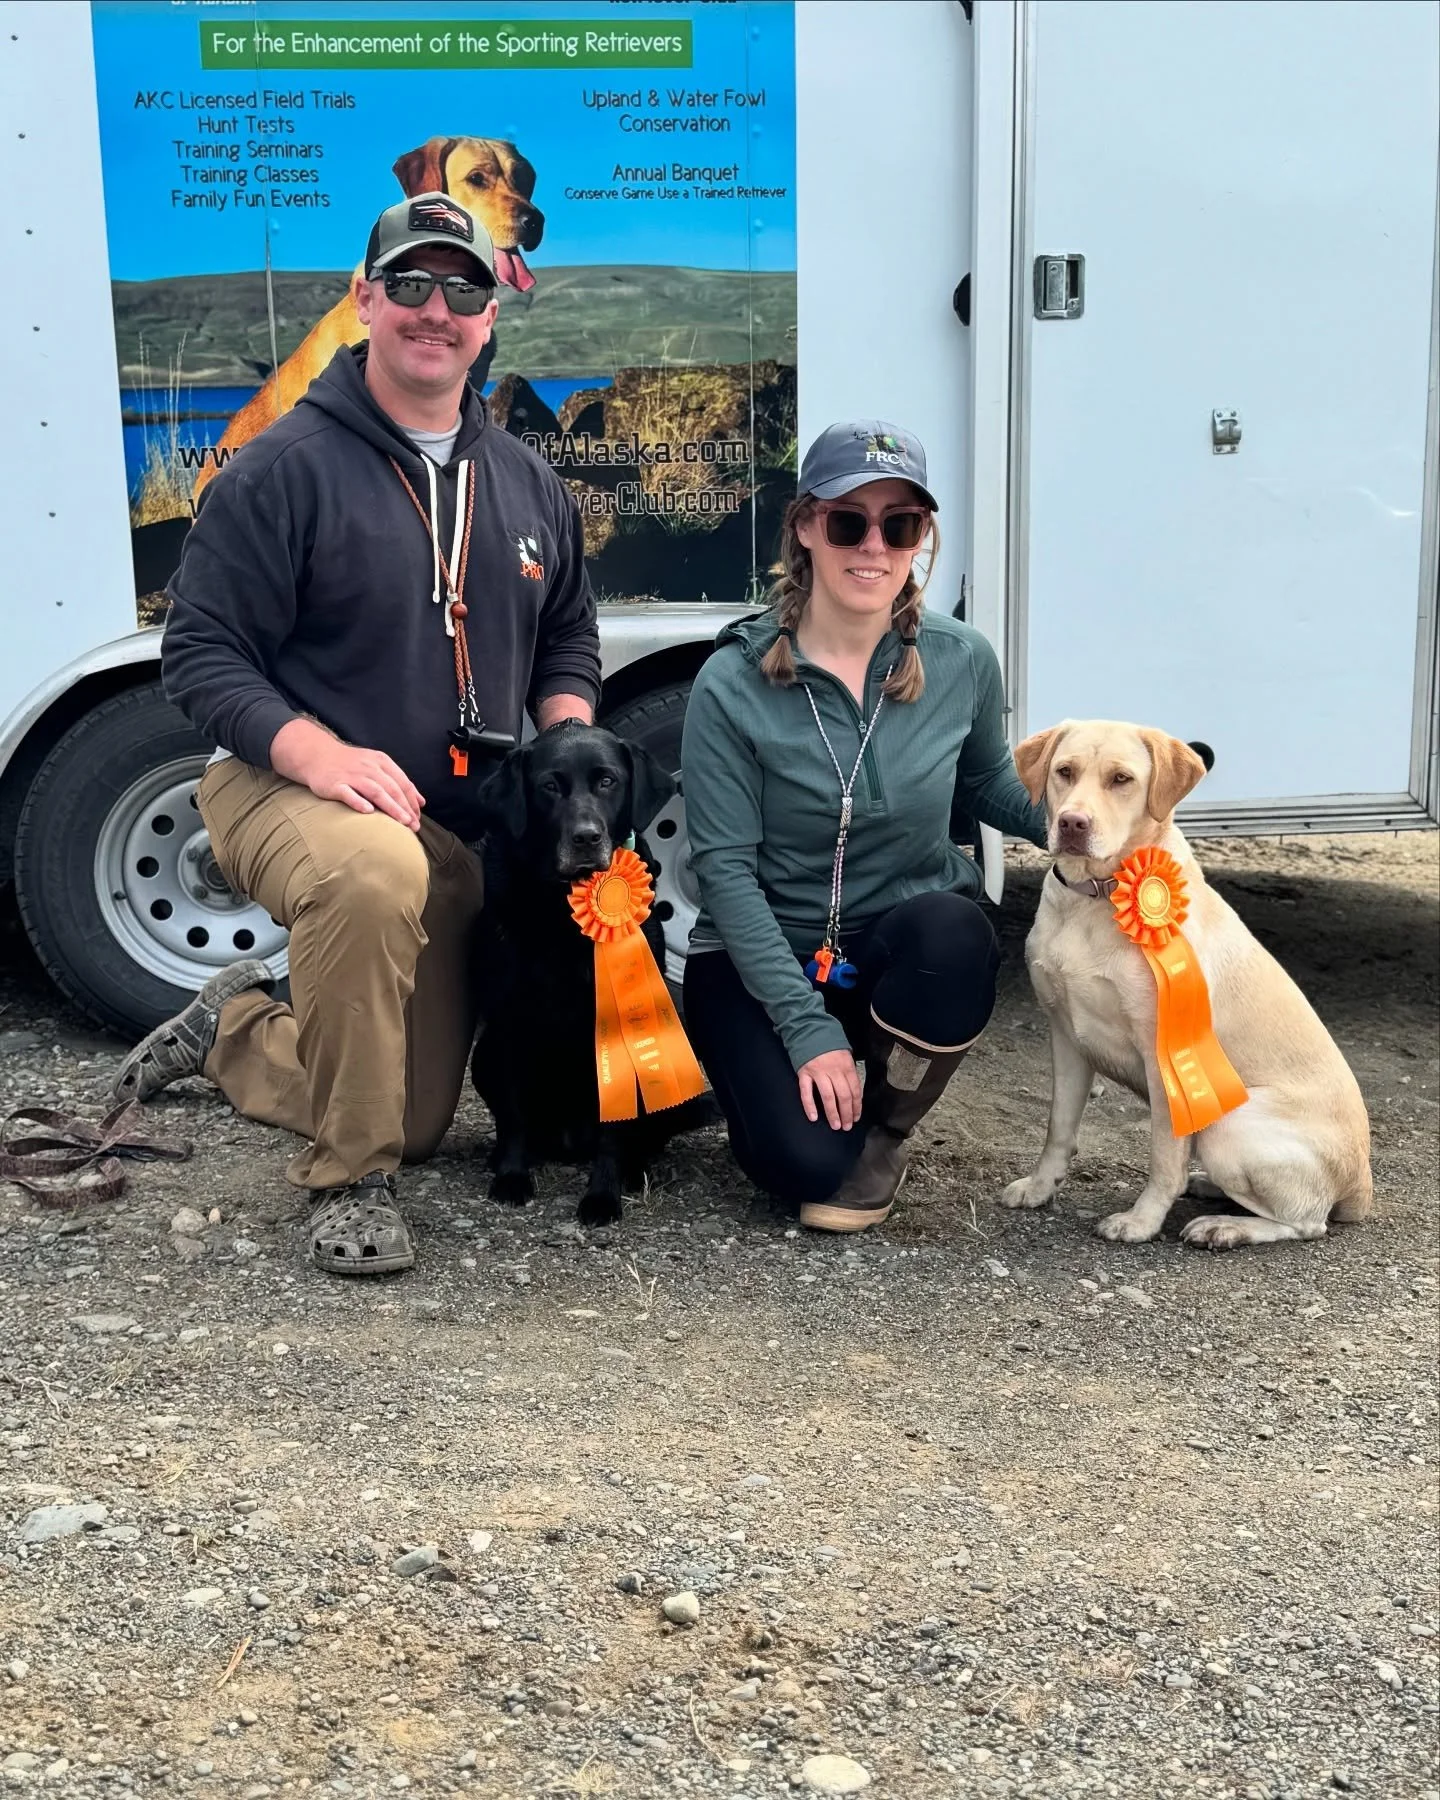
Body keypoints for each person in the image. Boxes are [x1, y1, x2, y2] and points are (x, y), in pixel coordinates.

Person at [111, 192, 600, 1276]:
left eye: (462, 288)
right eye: (412, 284)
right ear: (366, 300)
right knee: (376, 873)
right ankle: (350, 1187)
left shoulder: (529, 485)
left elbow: (568, 638)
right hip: (283, 789)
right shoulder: (281, 470)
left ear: (490, 318)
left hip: (453, 821)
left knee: (422, 1119)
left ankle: (237, 1031)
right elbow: (198, 658)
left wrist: (567, 748)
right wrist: (315, 751)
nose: (437, 309)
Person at [680, 421, 1048, 1234]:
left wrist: (1082, 826)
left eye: (901, 525)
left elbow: (986, 780)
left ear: (921, 538)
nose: (873, 547)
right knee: (800, 1170)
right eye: (849, 520)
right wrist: (805, 1028)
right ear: (806, 526)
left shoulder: (962, 660)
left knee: (955, 931)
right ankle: (792, 1081)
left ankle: (886, 1124)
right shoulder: (731, 683)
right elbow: (728, 874)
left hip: (890, 950)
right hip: (761, 954)